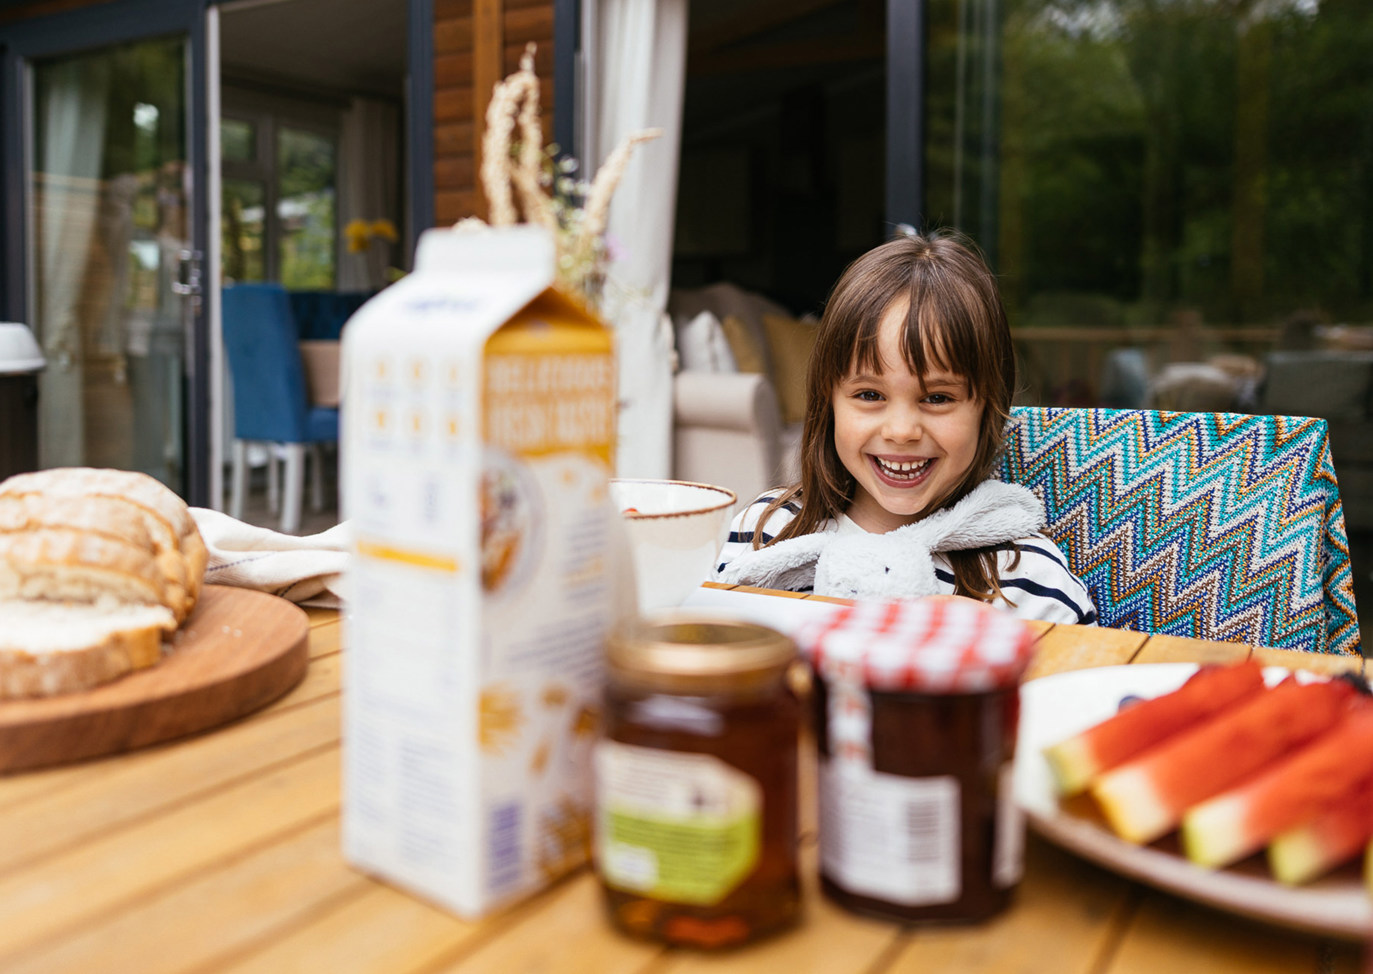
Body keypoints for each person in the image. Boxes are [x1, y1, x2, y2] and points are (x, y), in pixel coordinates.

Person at [714, 230, 1096, 625]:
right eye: (869, 395)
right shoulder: (764, 533)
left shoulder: (1024, 577)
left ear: (988, 407)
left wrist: (995, 642)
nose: (901, 431)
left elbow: (1075, 677)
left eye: (936, 398)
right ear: (829, 402)